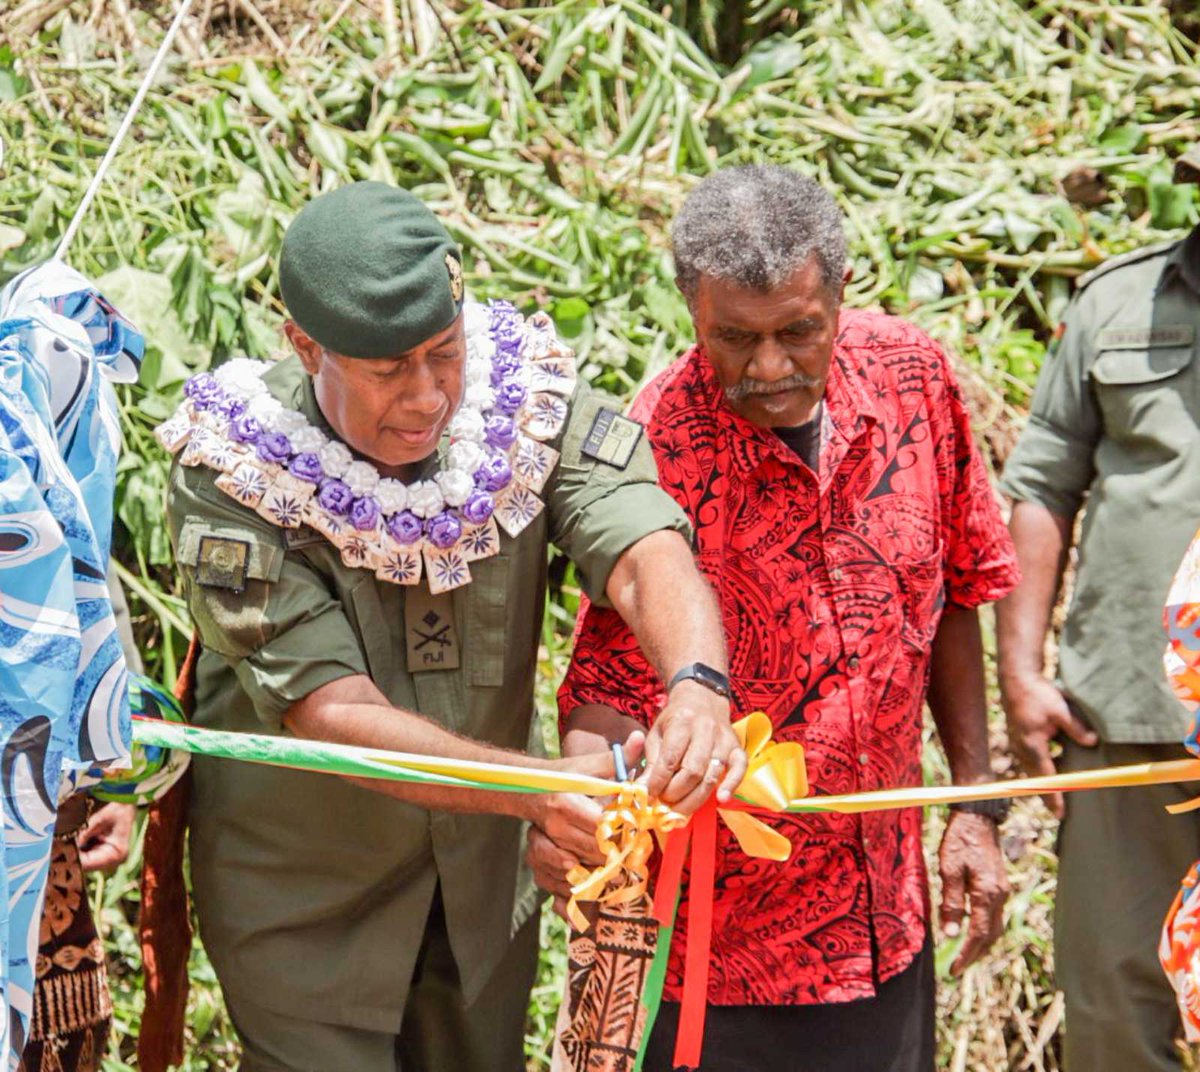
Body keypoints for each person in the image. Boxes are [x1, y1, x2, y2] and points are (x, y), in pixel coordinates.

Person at [149, 180, 746, 1072]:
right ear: (305, 345)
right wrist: (541, 788)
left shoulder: (522, 399)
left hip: (477, 903)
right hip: (305, 912)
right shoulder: (235, 468)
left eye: (446, 353)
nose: (429, 396)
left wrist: (699, 684)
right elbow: (330, 710)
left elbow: (640, 544)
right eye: (389, 370)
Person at [538, 164, 1020, 1072]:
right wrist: (578, 804)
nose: (769, 367)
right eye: (735, 338)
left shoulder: (913, 382)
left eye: (799, 331)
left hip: (885, 922)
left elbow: (958, 594)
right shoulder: (655, 448)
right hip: (711, 955)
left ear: (841, 292)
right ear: (691, 312)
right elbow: (603, 689)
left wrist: (975, 806)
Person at [997, 149, 1200, 1072]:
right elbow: (1042, 485)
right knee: (1118, 1000)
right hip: (1128, 725)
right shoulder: (1117, 304)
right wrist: (1022, 672)